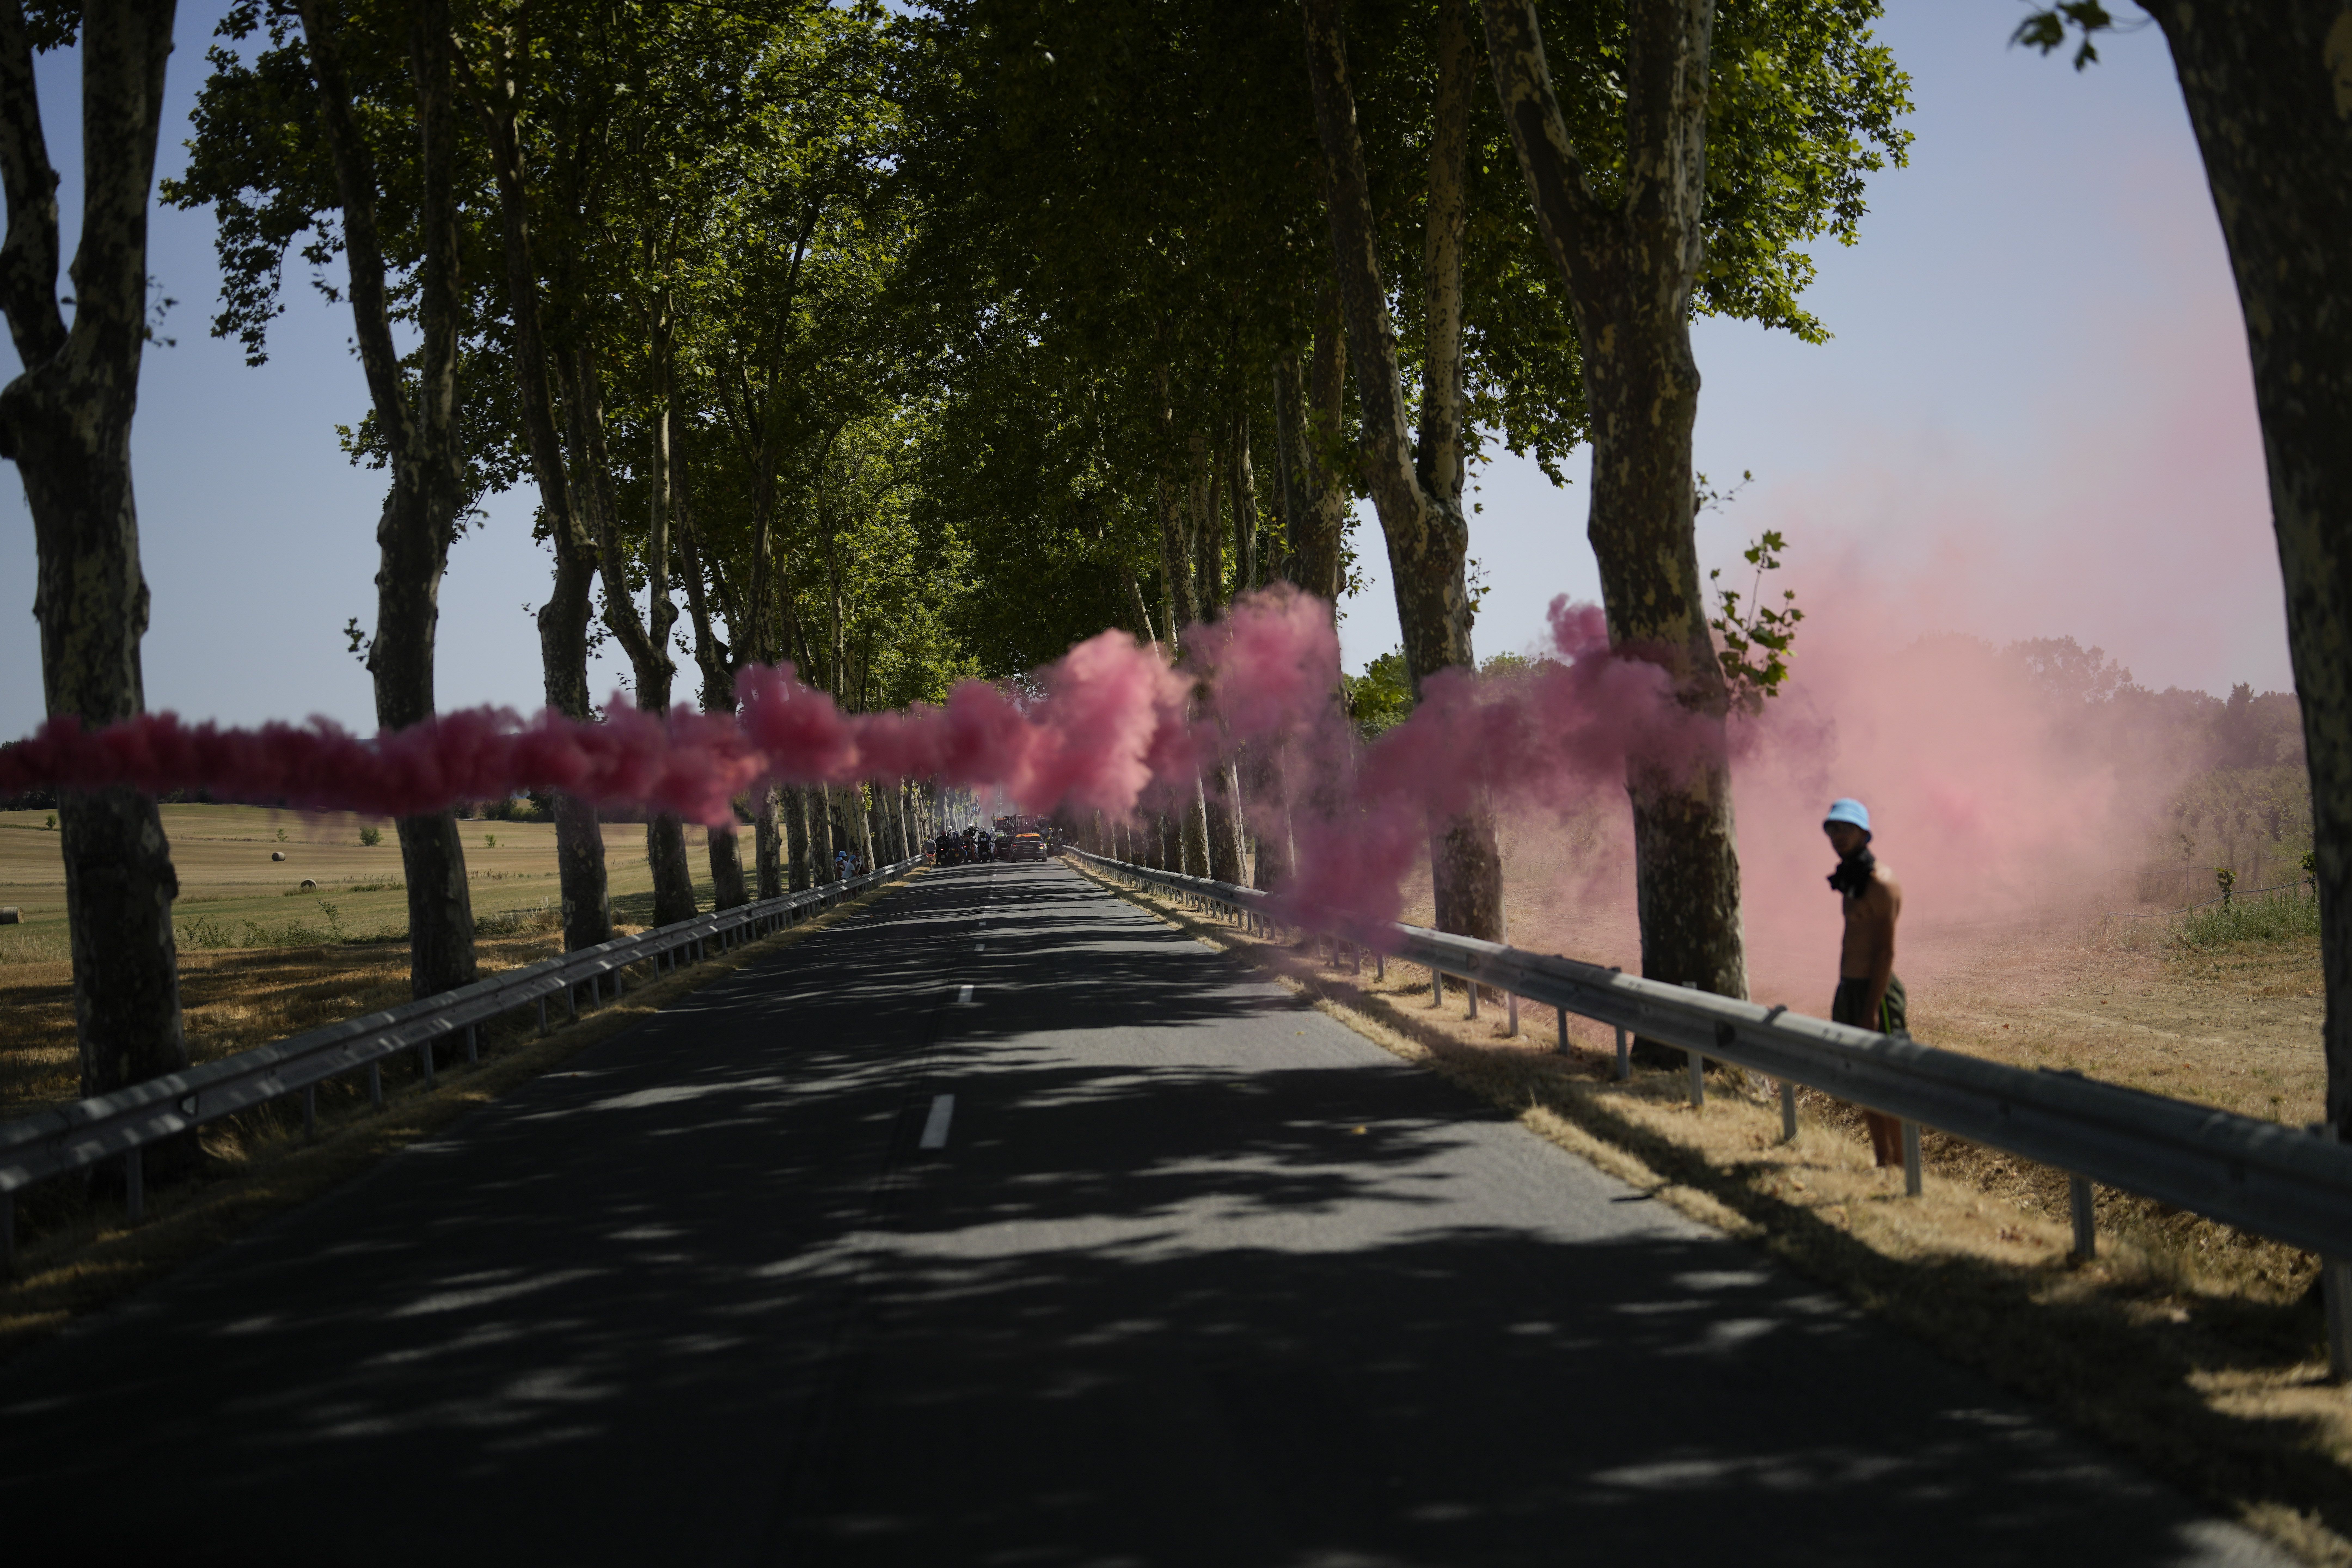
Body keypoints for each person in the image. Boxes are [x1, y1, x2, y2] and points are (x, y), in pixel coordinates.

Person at [1824, 797, 1908, 1167]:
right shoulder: (1851, 881)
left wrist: (1872, 1012)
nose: (1837, 836)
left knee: (1890, 1086)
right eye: (1832, 829)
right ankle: (1883, 1163)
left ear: (1864, 834)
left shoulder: (1880, 885)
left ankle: (1907, 1170)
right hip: (1850, 989)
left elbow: (1886, 955)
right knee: (1864, 1083)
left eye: (1845, 829)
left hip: (1876, 994)